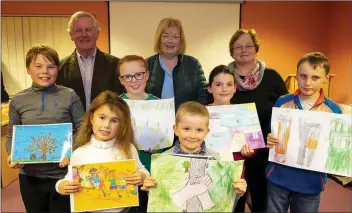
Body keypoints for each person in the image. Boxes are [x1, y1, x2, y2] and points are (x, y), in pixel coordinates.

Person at [6, 44, 84, 212]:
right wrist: (12, 153)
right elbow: (12, 133)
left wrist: (71, 152)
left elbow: (83, 129)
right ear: (28, 69)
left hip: (64, 175)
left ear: (57, 69)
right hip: (30, 177)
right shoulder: (18, 100)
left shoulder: (70, 95)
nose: (45, 71)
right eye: (38, 66)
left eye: (51, 66)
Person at [266, 52, 342, 213]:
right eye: (303, 76)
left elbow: (336, 149)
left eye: (315, 78)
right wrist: (270, 139)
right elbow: (273, 133)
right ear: (297, 75)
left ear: (325, 79)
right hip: (279, 177)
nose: (307, 83)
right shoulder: (282, 102)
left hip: (310, 182)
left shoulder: (333, 111)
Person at [141, 101, 247, 210]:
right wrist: (151, 190)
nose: (192, 135)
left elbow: (224, 205)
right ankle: (192, 195)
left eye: (199, 130)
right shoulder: (163, 160)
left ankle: (191, 195)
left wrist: (236, 193)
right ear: (175, 129)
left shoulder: (216, 159)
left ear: (207, 132)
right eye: (186, 129)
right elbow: (160, 203)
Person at [56, 90, 150, 212]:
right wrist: (61, 186)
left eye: (114, 121)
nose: (106, 125)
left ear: (121, 125)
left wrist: (142, 176)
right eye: (102, 118)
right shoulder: (79, 153)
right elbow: (68, 179)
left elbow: (142, 170)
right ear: (91, 118)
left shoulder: (128, 148)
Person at [227, 29, 289, 212]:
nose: (243, 50)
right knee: (232, 200)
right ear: (232, 51)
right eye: (238, 46)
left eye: (248, 45)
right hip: (232, 152)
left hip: (264, 152)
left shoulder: (272, 77)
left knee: (261, 202)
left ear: (256, 48)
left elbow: (286, 111)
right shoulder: (224, 77)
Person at [207, 65, 257, 212]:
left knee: (234, 208)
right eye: (218, 84)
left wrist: (250, 152)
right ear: (210, 88)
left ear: (235, 88)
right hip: (208, 175)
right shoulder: (201, 113)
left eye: (229, 84)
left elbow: (253, 148)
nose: (224, 89)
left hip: (235, 177)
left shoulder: (244, 114)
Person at [117, 55, 160, 212]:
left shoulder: (159, 105)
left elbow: (166, 139)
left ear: (146, 75)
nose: (134, 80)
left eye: (138, 74)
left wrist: (158, 147)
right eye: (127, 76)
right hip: (126, 173)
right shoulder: (116, 106)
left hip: (152, 173)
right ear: (121, 80)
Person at [57, 11, 123, 111]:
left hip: (105, 124)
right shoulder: (59, 67)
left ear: (97, 33)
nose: (84, 35)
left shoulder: (116, 65)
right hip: (73, 125)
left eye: (88, 30)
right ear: (71, 35)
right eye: (78, 30)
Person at [145, 17, 208, 111]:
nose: (170, 41)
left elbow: (203, 96)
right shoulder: (146, 64)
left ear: (180, 41)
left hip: (186, 121)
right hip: (153, 120)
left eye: (175, 37)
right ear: (159, 39)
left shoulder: (193, 64)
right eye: (165, 36)